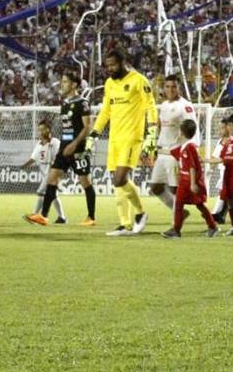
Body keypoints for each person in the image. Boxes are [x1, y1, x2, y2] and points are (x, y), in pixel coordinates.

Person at [89, 48, 157, 237]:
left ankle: (141, 213)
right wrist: (94, 133)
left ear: (122, 62)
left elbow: (151, 106)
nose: (110, 68)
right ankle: (125, 224)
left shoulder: (138, 80)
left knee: (120, 179)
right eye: (107, 65)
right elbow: (106, 111)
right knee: (116, 182)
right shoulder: (109, 83)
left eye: (113, 64)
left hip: (132, 137)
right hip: (114, 138)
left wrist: (151, 133)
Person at [45, 70, 97, 226]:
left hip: (79, 149)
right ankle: (43, 216)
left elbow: (88, 127)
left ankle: (91, 217)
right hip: (64, 148)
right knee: (52, 178)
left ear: (74, 84)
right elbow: (67, 128)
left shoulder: (83, 103)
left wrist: (74, 144)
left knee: (85, 181)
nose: (62, 84)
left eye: (65, 81)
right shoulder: (65, 104)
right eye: (62, 81)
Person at [150, 74, 198, 217]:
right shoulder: (164, 105)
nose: (170, 90)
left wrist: (189, 152)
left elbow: (192, 129)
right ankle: (181, 213)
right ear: (164, 88)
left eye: (174, 87)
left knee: (175, 189)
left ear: (179, 88)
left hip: (174, 154)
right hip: (162, 153)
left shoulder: (185, 106)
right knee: (156, 187)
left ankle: (176, 221)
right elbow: (162, 128)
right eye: (167, 86)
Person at [161, 119, 218, 238]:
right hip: (184, 181)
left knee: (200, 205)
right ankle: (176, 230)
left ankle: (213, 226)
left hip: (191, 181)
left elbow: (192, 167)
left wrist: (193, 184)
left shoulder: (190, 147)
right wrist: (155, 151)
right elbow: (169, 152)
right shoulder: (184, 147)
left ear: (181, 132)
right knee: (179, 204)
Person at [21, 120, 66, 225]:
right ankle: (62, 217)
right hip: (44, 171)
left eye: (42, 129)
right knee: (53, 195)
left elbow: (61, 156)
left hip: (53, 171)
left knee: (41, 192)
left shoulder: (55, 142)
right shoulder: (39, 144)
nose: (40, 132)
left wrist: (56, 166)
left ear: (48, 130)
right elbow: (33, 158)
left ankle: (34, 215)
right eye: (39, 130)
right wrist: (23, 166)